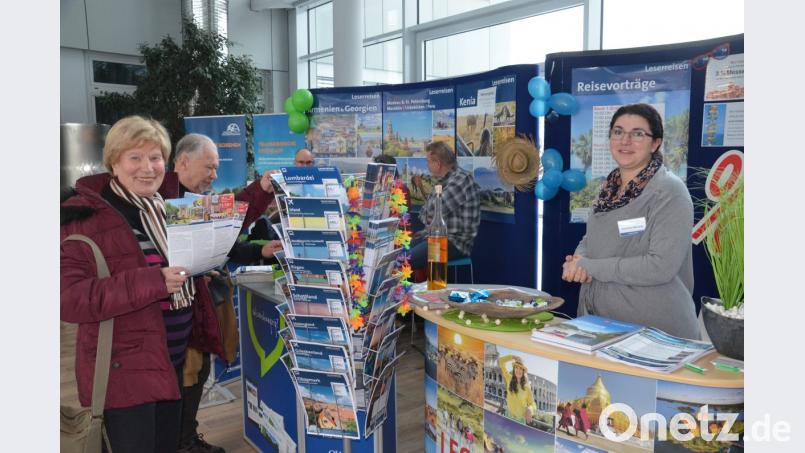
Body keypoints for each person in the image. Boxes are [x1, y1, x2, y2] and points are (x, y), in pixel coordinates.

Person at [61, 116, 192, 452]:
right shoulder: (83, 218)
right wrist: (154, 281)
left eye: (155, 157)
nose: (147, 167)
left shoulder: (166, 210)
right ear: (114, 163)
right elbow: (70, 299)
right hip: (124, 372)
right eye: (135, 157)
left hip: (171, 361)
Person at [171, 133, 281, 453]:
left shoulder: (199, 200)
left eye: (217, 168)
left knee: (199, 370)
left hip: (200, 309)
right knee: (185, 376)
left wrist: (259, 252)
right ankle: (180, 442)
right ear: (183, 162)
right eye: (210, 167)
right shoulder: (165, 203)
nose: (214, 175)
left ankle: (186, 438)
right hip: (174, 314)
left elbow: (228, 236)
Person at [562, 103, 699, 339]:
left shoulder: (670, 191)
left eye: (637, 134)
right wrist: (578, 260)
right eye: (618, 132)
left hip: (655, 333)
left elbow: (660, 266)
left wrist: (590, 267)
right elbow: (592, 236)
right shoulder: (608, 188)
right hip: (602, 324)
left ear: (655, 143)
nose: (625, 141)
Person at [410, 141, 480, 270]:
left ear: (437, 163)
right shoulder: (444, 180)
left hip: (455, 242)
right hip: (434, 235)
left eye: (428, 162)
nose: (427, 165)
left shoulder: (461, 180)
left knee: (406, 261)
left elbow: (432, 211)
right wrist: (430, 213)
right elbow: (425, 213)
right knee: (398, 255)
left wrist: (430, 213)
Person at [498, 355, 537, 424]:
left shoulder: (527, 387)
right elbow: (500, 361)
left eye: (521, 368)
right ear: (514, 369)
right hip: (508, 416)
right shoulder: (509, 378)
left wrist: (530, 409)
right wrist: (512, 357)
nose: (518, 370)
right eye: (516, 367)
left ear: (523, 371)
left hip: (520, 420)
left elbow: (533, 404)